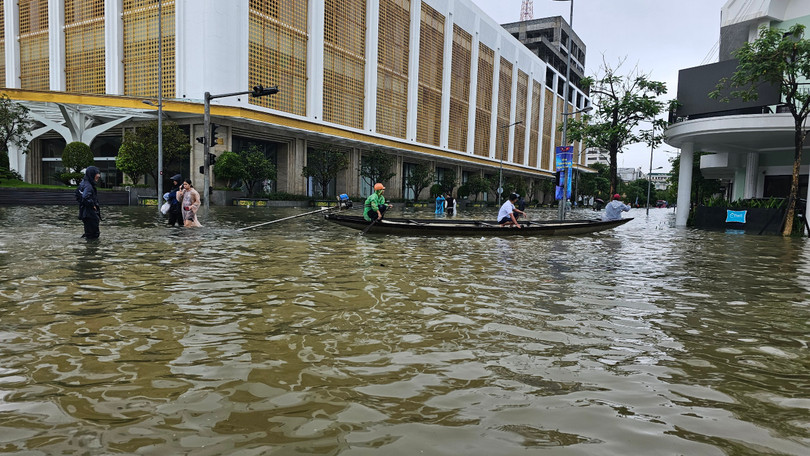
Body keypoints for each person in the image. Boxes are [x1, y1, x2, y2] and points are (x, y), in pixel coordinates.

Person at [77, 166, 102, 239]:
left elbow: (77, 195)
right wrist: (92, 205)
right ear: (92, 174)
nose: (99, 176)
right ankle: (91, 246)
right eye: (97, 173)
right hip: (90, 213)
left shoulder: (83, 183)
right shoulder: (88, 186)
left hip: (84, 212)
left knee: (89, 233)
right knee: (94, 234)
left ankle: (87, 245)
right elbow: (85, 197)